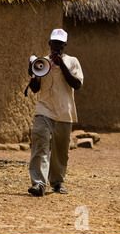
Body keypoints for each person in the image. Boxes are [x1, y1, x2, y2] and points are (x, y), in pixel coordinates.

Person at [26, 29, 83, 196]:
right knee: (40, 145)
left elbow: (77, 84)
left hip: (64, 113)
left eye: (60, 45)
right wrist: (32, 72)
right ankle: (38, 183)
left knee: (60, 152)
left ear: (64, 46)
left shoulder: (72, 62)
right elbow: (36, 88)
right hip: (44, 110)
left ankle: (57, 183)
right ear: (49, 44)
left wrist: (62, 66)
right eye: (54, 44)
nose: (56, 48)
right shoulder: (42, 62)